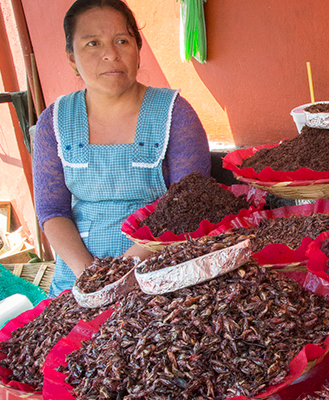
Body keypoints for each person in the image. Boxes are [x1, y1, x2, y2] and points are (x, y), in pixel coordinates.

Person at [33, 0, 211, 297]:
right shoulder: (54, 121)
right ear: (71, 58)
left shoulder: (174, 114)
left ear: (138, 52)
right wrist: (90, 276)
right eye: (92, 43)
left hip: (161, 277)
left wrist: (122, 274)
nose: (111, 54)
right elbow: (52, 211)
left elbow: (189, 207)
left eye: (122, 41)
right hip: (78, 281)